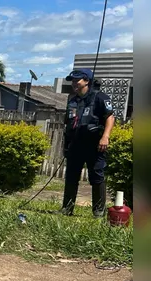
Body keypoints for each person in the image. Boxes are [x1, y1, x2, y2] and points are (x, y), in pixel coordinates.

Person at [59, 68, 115, 218]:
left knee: (96, 176)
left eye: (77, 80)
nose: (74, 83)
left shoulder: (99, 97)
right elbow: (69, 124)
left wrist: (106, 136)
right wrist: (66, 145)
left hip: (95, 145)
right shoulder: (73, 100)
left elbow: (110, 117)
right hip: (76, 145)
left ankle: (98, 211)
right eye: (72, 80)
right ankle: (67, 208)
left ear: (87, 81)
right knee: (71, 176)